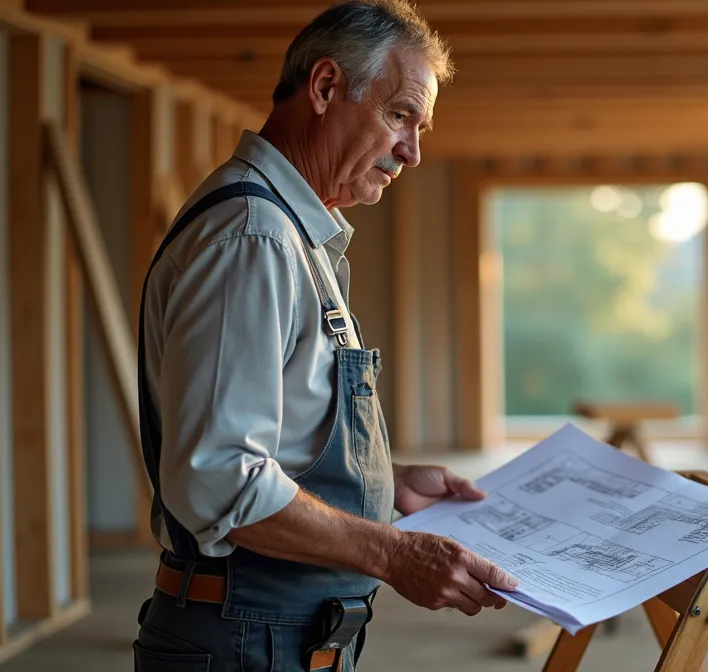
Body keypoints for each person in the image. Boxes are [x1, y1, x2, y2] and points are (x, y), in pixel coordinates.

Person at [131, 2, 517, 670]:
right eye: (400, 114)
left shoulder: (289, 231)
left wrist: (378, 485)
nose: (413, 152)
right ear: (325, 88)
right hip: (246, 636)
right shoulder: (254, 236)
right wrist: (393, 551)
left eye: (419, 128)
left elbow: (269, 440)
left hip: (275, 631)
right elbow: (221, 479)